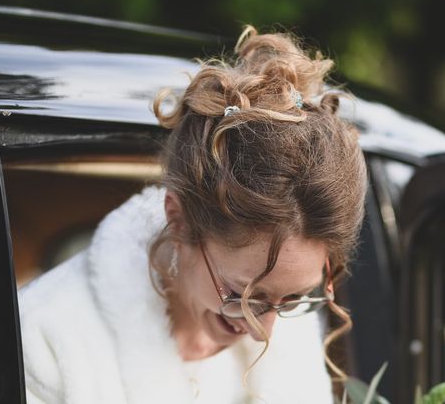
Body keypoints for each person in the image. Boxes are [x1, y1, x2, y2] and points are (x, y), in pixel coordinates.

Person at [18, 26, 368, 404]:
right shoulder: (43, 337)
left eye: (294, 299)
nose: (263, 331)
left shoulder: (291, 333)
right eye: (242, 295)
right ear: (179, 221)